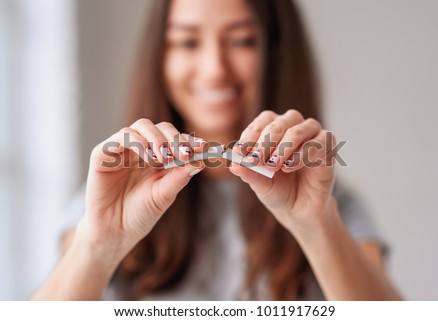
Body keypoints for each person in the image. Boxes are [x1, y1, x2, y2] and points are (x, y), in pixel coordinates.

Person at [32, 0, 401, 300]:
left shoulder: (332, 208)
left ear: (275, 52)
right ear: (159, 57)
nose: (214, 70)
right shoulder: (108, 199)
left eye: (242, 41)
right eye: (188, 42)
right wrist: (100, 244)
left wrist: (316, 225)